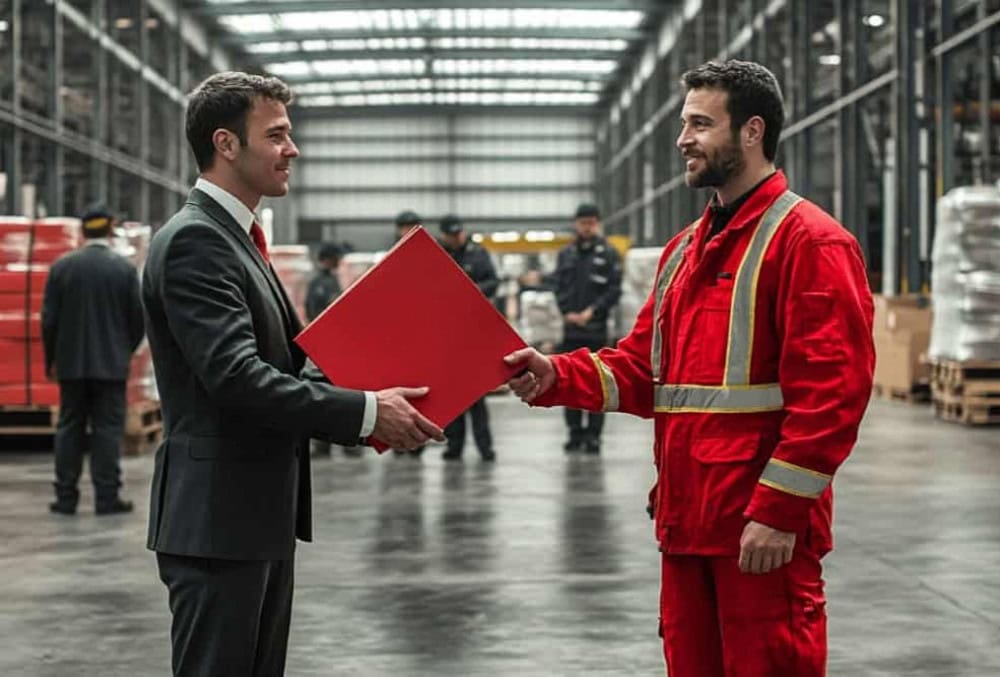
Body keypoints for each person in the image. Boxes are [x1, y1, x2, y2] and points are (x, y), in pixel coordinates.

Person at [505, 59, 875, 677]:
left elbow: (832, 397)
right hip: (688, 520)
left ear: (752, 132)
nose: (683, 139)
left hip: (757, 529)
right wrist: (555, 374)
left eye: (701, 124)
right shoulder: (682, 252)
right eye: (684, 123)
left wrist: (779, 510)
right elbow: (641, 369)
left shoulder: (809, 242)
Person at [141, 71, 443, 677]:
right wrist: (366, 413)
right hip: (218, 519)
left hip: (251, 514)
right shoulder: (198, 241)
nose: (293, 149)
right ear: (227, 144)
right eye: (276, 135)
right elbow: (237, 378)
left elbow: (287, 363)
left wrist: (380, 365)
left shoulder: (236, 238)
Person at [41, 204, 144, 516]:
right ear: (110, 227)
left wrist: (52, 360)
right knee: (107, 430)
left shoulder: (62, 268)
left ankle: (66, 498)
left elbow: (49, 321)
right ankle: (107, 498)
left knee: (69, 428)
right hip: (111, 367)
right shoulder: (123, 270)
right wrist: (123, 351)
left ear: (83, 230)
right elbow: (138, 320)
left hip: (71, 366)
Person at [552, 203, 622, 454]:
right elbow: (558, 286)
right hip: (571, 330)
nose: (587, 227)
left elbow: (614, 290)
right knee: (569, 383)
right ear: (576, 224)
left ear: (597, 224)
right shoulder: (566, 254)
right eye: (583, 223)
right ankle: (574, 434)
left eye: (591, 222)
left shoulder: (609, 254)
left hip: (595, 330)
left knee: (596, 384)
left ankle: (593, 436)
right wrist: (567, 312)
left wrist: (592, 312)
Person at [439, 214, 499, 462]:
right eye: (451, 235)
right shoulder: (437, 255)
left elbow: (493, 282)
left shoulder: (478, 254)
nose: (456, 238)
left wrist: (470, 292)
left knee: (476, 394)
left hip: (472, 333)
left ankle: (485, 447)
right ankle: (454, 446)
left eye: (458, 234)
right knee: (452, 395)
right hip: (445, 333)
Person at [304, 243, 362, 459]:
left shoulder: (330, 280)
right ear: (328, 259)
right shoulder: (320, 283)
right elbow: (316, 314)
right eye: (337, 258)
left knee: (339, 391)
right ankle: (326, 444)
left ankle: (342, 443)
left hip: (335, 345)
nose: (340, 262)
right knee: (330, 393)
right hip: (326, 347)